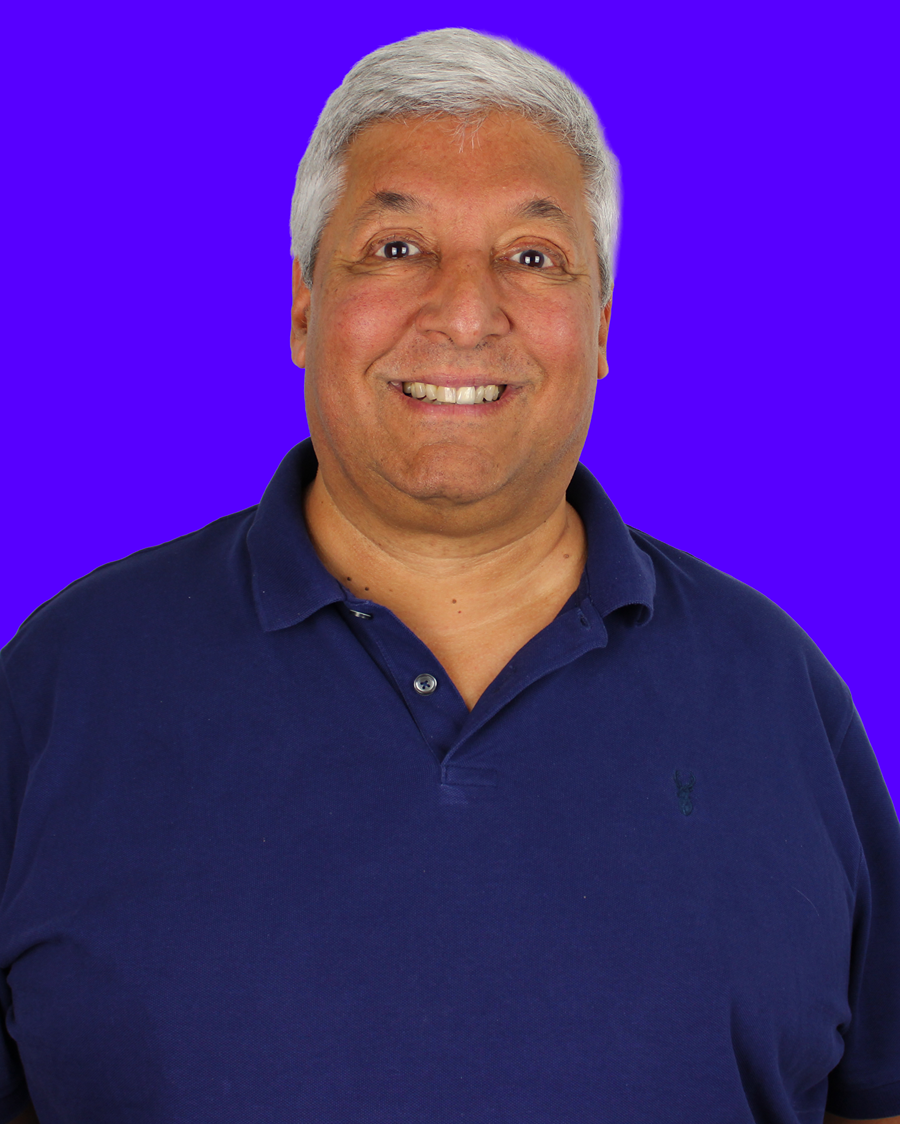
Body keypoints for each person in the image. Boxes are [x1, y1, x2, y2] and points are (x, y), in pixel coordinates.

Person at [1, 27, 898, 1124]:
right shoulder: (64, 684)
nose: (466, 312)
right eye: (396, 247)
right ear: (303, 307)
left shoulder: (778, 691)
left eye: (533, 257)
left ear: (601, 325)